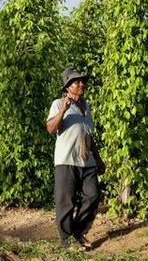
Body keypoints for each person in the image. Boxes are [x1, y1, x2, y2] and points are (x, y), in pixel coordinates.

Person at [46, 67, 106, 249]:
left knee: (93, 195)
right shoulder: (58, 104)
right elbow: (50, 128)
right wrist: (63, 110)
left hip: (86, 161)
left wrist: (98, 158)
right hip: (66, 161)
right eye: (76, 81)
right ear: (67, 87)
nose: (81, 84)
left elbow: (89, 135)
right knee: (65, 201)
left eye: (82, 81)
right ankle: (66, 241)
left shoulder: (86, 106)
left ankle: (78, 231)